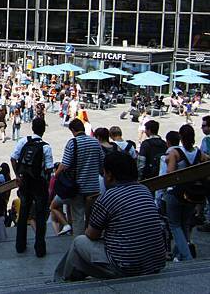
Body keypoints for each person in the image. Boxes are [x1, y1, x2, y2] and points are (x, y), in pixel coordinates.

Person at [54, 152, 167, 281]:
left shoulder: (108, 197)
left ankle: (62, 280)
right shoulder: (144, 190)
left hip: (127, 267)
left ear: (109, 175)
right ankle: (68, 276)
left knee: (79, 242)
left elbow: (91, 235)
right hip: (154, 264)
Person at [164, 124, 209, 261]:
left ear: (181, 137)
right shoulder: (200, 154)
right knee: (185, 223)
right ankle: (180, 254)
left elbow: (170, 174)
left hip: (176, 192)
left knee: (174, 224)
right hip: (192, 193)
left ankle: (186, 256)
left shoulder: (175, 153)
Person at [11, 117, 54, 257]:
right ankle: (40, 248)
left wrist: (18, 175)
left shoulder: (24, 141)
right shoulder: (46, 146)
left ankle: (20, 245)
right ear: (44, 130)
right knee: (40, 215)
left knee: (24, 212)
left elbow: (13, 158)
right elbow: (49, 168)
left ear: (32, 128)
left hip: (25, 181)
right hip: (39, 182)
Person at [54, 118, 105, 237]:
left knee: (78, 217)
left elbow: (65, 164)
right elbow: (102, 163)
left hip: (78, 187)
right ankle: (92, 239)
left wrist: (56, 175)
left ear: (72, 130)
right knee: (92, 216)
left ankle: (79, 244)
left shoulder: (73, 143)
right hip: (93, 186)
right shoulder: (95, 142)